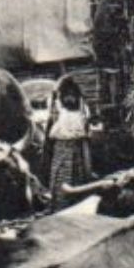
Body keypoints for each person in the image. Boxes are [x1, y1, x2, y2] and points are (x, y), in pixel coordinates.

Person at [46, 76, 93, 204]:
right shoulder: (58, 107)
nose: (70, 98)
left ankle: (76, 201)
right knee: (61, 172)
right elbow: (53, 110)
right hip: (62, 145)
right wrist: (59, 85)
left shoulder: (82, 108)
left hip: (77, 146)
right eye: (67, 95)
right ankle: (60, 202)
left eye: (73, 95)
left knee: (77, 172)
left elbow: (86, 124)